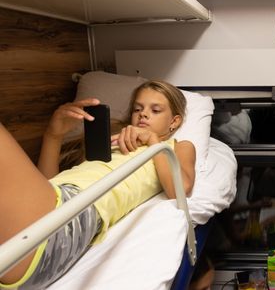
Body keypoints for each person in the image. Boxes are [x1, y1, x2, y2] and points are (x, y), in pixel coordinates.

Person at [0, 80, 196, 290]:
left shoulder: (175, 148)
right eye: (138, 109)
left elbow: (180, 189)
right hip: (52, 206)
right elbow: (48, 186)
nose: (143, 114)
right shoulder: (112, 141)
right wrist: (53, 135)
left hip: (66, 222)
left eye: (155, 110)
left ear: (174, 122)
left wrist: (153, 141)